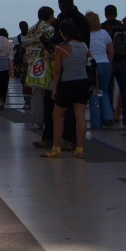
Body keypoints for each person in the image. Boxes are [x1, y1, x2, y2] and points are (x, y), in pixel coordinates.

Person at [42, 18, 90, 158]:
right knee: (80, 116)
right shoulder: (84, 46)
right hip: (83, 82)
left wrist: (55, 88)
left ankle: (56, 148)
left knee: (57, 116)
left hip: (67, 83)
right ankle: (79, 148)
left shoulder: (60, 48)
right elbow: (89, 61)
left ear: (62, 33)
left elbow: (57, 71)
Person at [101, 6, 126, 125]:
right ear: (116, 13)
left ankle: (109, 116)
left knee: (108, 89)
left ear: (105, 13)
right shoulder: (123, 27)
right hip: (123, 60)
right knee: (124, 90)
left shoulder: (103, 27)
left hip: (109, 60)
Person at [85, 12, 113, 124]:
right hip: (105, 63)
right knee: (104, 91)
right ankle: (108, 117)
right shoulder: (104, 33)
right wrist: (110, 63)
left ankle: (96, 121)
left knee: (94, 92)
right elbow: (111, 50)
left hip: (92, 65)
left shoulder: (85, 34)